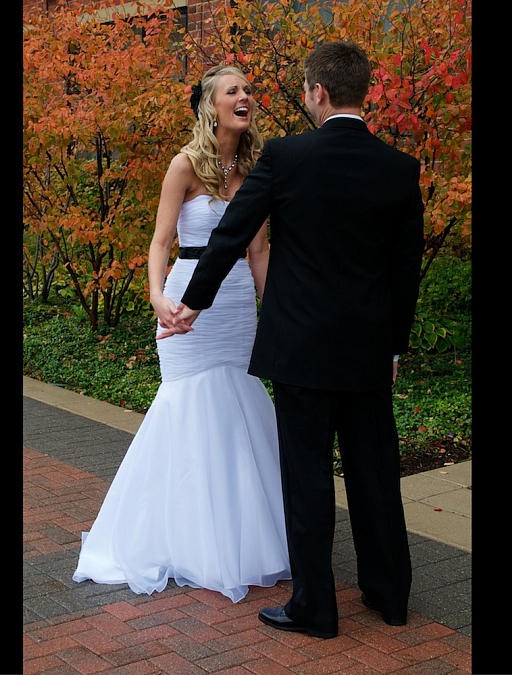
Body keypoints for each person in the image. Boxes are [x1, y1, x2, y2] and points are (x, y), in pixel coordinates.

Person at [168, 41, 424, 639]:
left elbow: (231, 233)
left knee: (305, 476)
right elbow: (404, 268)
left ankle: (316, 607)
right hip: (365, 350)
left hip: (301, 348)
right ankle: (389, 596)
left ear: (318, 93)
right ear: (364, 93)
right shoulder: (398, 167)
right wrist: (394, 348)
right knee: (375, 473)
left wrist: (190, 305)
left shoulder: (286, 156)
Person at [72, 65, 291, 603]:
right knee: (188, 404)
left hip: (237, 302)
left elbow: (259, 251)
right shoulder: (185, 164)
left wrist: (278, 314)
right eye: (232, 90)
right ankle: (183, 536)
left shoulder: (260, 167)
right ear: (210, 105)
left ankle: (244, 538)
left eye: (247, 88)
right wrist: (155, 295)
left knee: (237, 403)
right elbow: (159, 241)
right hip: (185, 300)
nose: (245, 96)